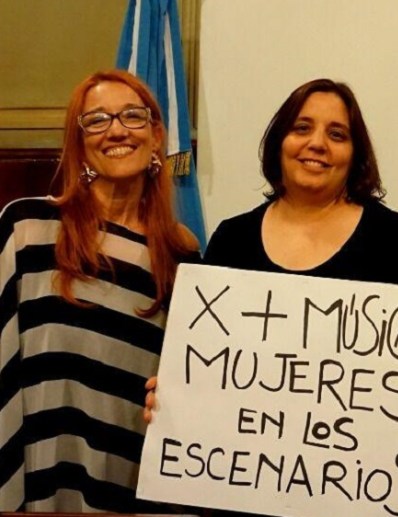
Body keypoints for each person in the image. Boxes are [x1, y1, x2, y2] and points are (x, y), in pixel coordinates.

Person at [144, 79, 398, 504]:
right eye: (302, 128)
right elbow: (208, 364)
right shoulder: (232, 240)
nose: (317, 144)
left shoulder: (397, 241)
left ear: (355, 154)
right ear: (279, 142)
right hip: (244, 492)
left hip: (356, 494)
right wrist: (175, 404)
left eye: (337, 134)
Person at [0, 70, 199, 512]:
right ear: (79, 142)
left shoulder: (182, 256)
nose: (116, 130)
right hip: (32, 479)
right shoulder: (26, 229)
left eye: (132, 115)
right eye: (97, 120)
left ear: (156, 135)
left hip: (128, 478)